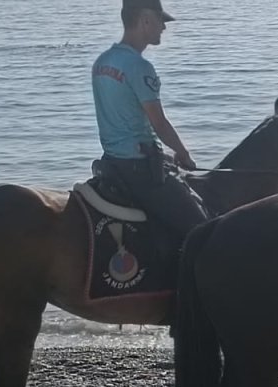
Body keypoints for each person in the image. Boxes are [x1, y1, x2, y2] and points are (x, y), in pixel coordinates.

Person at [91, 0, 207, 244]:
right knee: (204, 230)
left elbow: (123, 122)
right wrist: (183, 154)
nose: (163, 28)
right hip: (140, 169)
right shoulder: (139, 67)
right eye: (160, 21)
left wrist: (164, 154)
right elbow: (159, 123)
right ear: (145, 20)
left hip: (114, 162)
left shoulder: (102, 62)